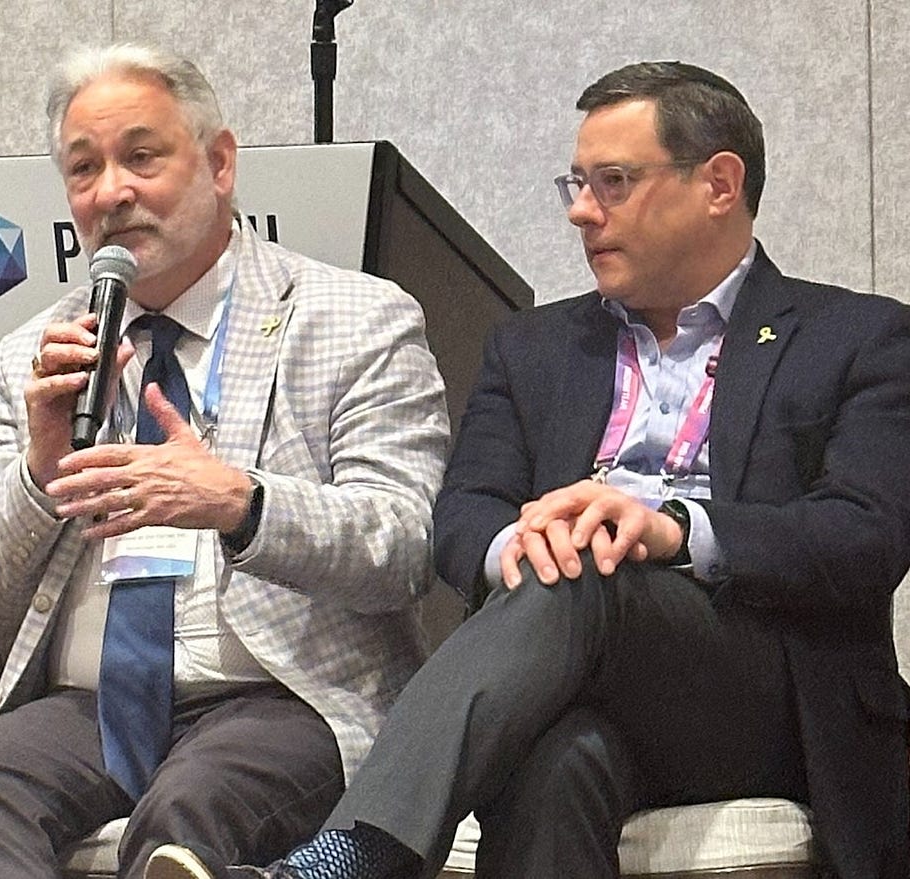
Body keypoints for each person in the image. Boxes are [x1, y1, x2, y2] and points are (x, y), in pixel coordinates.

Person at [149, 61, 910, 879]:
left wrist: (672, 529)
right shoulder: (535, 346)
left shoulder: (858, 336)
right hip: (577, 670)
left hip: (767, 694)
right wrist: (521, 541)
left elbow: (866, 534)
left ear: (719, 183)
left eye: (613, 182)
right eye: (576, 183)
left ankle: (346, 859)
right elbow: (462, 512)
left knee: (588, 566)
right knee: (557, 760)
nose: (583, 211)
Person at [0, 43, 450, 879]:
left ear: (220, 162)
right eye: (84, 169)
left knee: (189, 802)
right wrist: (38, 471)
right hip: (90, 704)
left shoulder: (354, 317)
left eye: (141, 157)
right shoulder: (37, 352)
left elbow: (404, 548)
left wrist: (240, 501)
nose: (112, 192)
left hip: (282, 695)